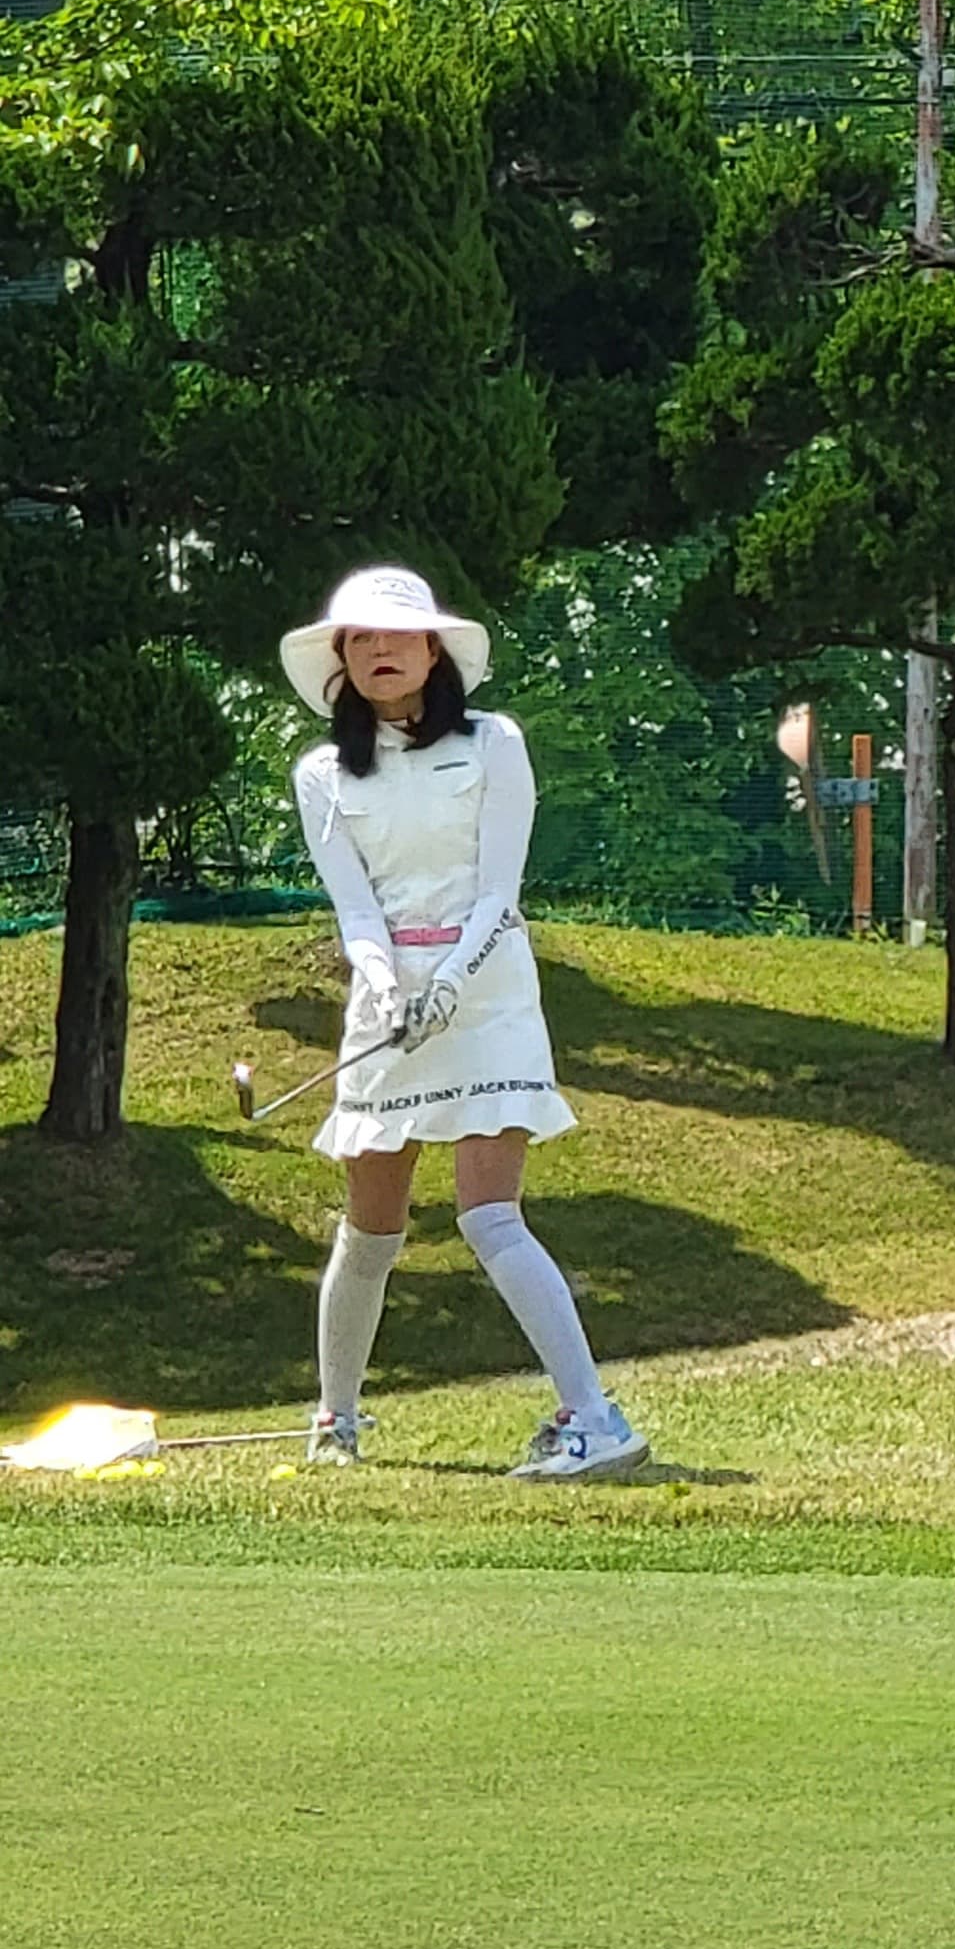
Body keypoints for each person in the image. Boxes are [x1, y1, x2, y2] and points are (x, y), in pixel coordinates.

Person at [283, 565, 648, 1481]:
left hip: (484, 996)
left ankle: (595, 1418)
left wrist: (448, 984)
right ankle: (336, 1422)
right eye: (360, 639)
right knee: (370, 1229)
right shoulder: (321, 772)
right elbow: (356, 912)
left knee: (491, 1215)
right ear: (340, 659)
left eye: (396, 637)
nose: (379, 652)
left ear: (432, 649)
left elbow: (499, 894)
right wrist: (386, 984)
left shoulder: (495, 743)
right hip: (387, 1006)